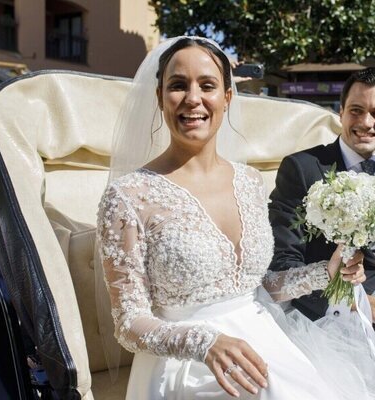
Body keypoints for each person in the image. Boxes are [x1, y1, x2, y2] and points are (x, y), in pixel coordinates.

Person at [96, 37, 375, 399]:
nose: (193, 98)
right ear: (160, 97)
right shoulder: (127, 197)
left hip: (267, 340)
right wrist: (205, 343)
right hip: (188, 364)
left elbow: (258, 288)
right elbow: (128, 324)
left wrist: (326, 271)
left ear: (226, 98)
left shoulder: (248, 181)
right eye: (178, 86)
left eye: (207, 86)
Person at [269, 68, 375, 322]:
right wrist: (351, 304)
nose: (366, 123)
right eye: (356, 111)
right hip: (326, 320)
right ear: (340, 113)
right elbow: (282, 262)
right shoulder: (301, 169)